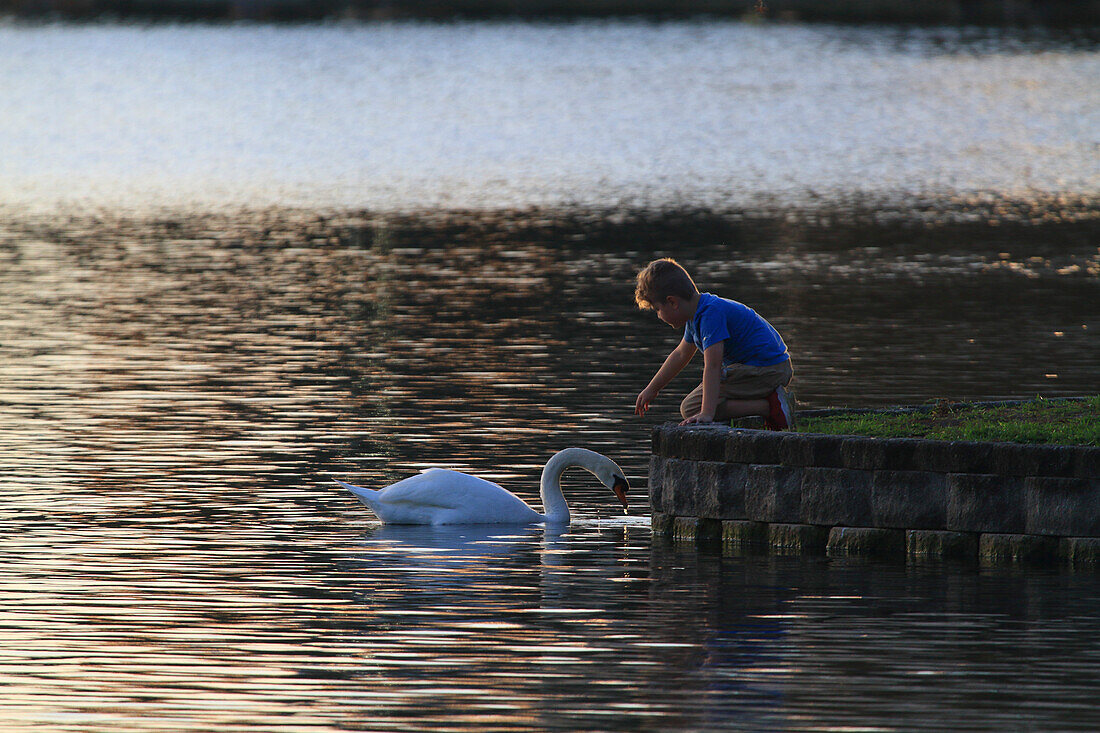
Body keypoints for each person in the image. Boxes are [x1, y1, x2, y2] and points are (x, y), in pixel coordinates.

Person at [633, 257, 796, 429]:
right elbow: (681, 354)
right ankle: (770, 402)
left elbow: (713, 365)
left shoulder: (711, 314)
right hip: (757, 370)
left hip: (769, 370)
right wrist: (652, 388)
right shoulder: (696, 316)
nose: (659, 315)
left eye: (658, 309)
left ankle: (771, 407)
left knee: (696, 407)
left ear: (672, 302)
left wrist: (707, 413)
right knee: (690, 407)